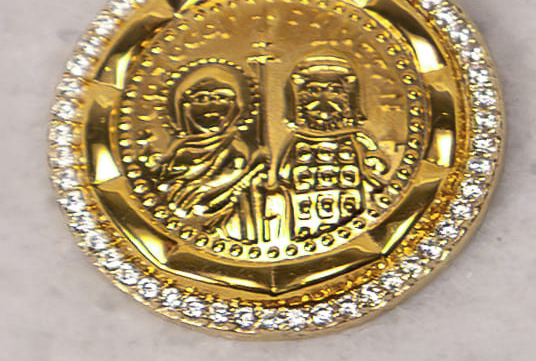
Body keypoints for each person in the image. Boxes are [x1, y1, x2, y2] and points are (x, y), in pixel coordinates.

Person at [139, 62, 268, 245]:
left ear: (235, 108)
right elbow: (165, 178)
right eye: (201, 100)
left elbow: (233, 172)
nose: (212, 107)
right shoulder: (181, 149)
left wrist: (201, 188)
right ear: (184, 108)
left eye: (221, 98)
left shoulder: (236, 147)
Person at [272, 58, 398, 242]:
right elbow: (284, 174)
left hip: (350, 207)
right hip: (306, 210)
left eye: (335, 91)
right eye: (314, 91)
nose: (324, 100)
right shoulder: (299, 141)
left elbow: (377, 165)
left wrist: (373, 164)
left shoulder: (356, 137)